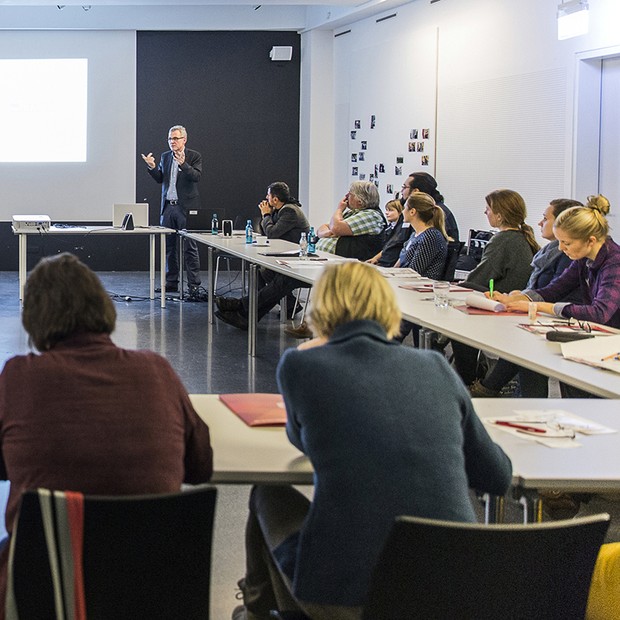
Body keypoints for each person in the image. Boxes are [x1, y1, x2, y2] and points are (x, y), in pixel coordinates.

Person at [233, 262, 512, 620]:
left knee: (267, 493)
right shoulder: (435, 367)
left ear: (322, 308)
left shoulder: (301, 365)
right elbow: (497, 477)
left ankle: (255, 613)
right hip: (450, 594)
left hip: (349, 594)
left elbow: (302, 440)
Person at [0, 253, 213, 610]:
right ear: (103, 305)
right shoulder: (156, 371)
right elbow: (200, 466)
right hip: (152, 595)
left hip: (49, 594)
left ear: (34, 318)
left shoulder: (19, 377)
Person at [492, 195, 620, 396]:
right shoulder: (583, 257)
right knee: (531, 352)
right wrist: (518, 299)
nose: (561, 248)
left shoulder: (614, 263)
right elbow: (554, 290)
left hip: (611, 344)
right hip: (599, 338)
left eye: (566, 243)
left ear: (591, 240)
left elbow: (600, 312)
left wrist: (539, 307)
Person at [470, 198, 583, 397]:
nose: (540, 223)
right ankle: (492, 389)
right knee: (524, 344)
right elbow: (549, 290)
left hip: (561, 320)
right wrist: (518, 297)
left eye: (545, 218)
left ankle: (488, 387)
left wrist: (523, 300)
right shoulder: (550, 251)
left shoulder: (569, 255)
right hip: (543, 315)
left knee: (526, 344)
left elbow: (559, 293)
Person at [452, 189, 539, 387]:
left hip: (499, 304)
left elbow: (480, 277)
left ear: (499, 215)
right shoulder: (522, 238)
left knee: (456, 321)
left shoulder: (503, 240)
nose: (485, 213)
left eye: (488, 209)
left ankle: (466, 381)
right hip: (515, 302)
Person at [215, 182, 310, 331]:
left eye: (269, 195)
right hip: (284, 254)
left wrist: (266, 214)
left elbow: (272, 233)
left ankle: (244, 307)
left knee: (269, 273)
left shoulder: (290, 211)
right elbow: (268, 232)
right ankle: (287, 305)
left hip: (294, 257)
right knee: (261, 270)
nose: (266, 198)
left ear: (275, 199)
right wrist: (269, 214)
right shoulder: (280, 210)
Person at [142, 124, 203, 297]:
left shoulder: (194, 156)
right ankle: (171, 283)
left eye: (175, 138)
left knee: (190, 247)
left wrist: (184, 164)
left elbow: (196, 177)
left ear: (184, 139)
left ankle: (194, 285)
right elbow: (160, 179)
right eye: (170, 138)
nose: (172, 142)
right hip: (168, 207)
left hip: (186, 208)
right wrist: (152, 167)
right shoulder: (165, 156)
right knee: (169, 248)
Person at [315, 181, 386, 261]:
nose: (346, 196)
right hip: (326, 260)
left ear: (360, 200)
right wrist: (326, 233)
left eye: (350, 194)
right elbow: (323, 227)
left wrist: (339, 209)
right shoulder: (352, 212)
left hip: (348, 265)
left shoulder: (371, 215)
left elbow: (335, 228)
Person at [405, 171, 459, 242]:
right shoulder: (417, 211)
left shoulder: (434, 212)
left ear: (416, 191)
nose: (401, 191)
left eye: (404, 187)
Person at [366, 199, 412, 267]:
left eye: (390, 210)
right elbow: (386, 248)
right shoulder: (390, 228)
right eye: (387, 210)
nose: (386, 213)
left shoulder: (404, 230)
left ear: (400, 212)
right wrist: (375, 258)